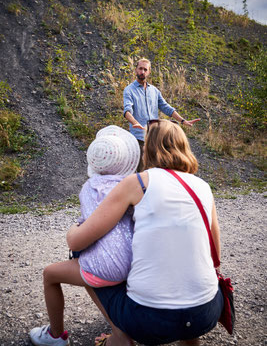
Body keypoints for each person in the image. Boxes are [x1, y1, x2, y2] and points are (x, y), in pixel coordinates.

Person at [66, 119, 223, 346]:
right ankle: (190, 339)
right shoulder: (203, 186)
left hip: (149, 321)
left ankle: (118, 338)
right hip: (206, 312)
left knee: (84, 256)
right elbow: (215, 252)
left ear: (147, 148)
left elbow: (78, 241)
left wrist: (73, 229)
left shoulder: (138, 182)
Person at [29, 125, 140, 346]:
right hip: (137, 264)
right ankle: (119, 321)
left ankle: (55, 336)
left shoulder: (89, 189)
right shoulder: (133, 186)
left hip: (107, 270)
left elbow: (86, 231)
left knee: (51, 274)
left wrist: (74, 229)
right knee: (86, 261)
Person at [123, 58, 200, 170]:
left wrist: (183, 121)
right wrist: (135, 123)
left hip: (155, 138)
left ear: (149, 72)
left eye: (145, 69)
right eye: (140, 68)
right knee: (140, 172)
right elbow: (127, 111)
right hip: (139, 138)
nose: (142, 72)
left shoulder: (154, 91)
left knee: (154, 171)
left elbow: (166, 108)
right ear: (136, 70)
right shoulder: (129, 90)